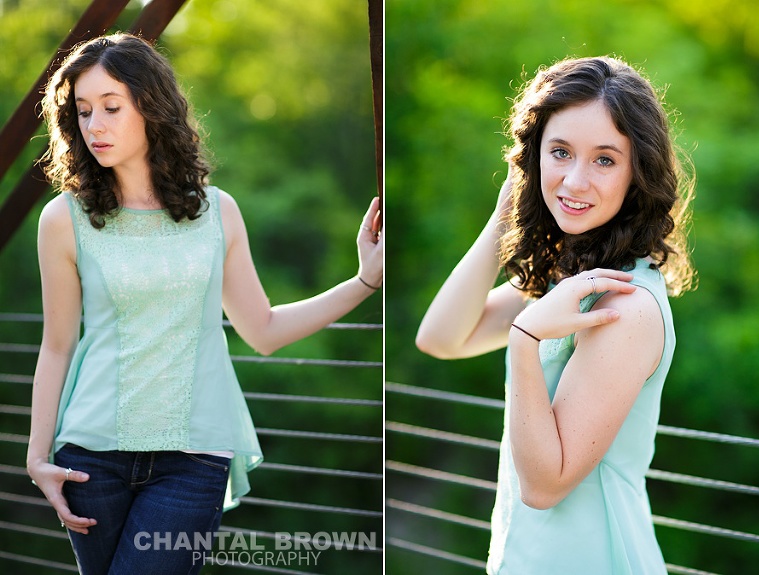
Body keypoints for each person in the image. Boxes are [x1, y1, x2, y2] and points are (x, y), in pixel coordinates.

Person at [26, 33, 382, 575]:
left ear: (151, 106)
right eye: (83, 110)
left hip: (193, 461)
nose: (94, 125)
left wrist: (364, 281)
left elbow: (263, 329)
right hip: (90, 458)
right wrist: (37, 457)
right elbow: (57, 346)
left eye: (111, 107)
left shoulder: (216, 212)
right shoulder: (63, 219)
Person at [416, 56, 695, 574]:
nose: (575, 181)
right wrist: (505, 212)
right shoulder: (570, 278)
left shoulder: (624, 305)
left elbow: (545, 487)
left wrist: (524, 339)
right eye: (560, 152)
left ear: (638, 173)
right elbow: (440, 337)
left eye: (605, 160)